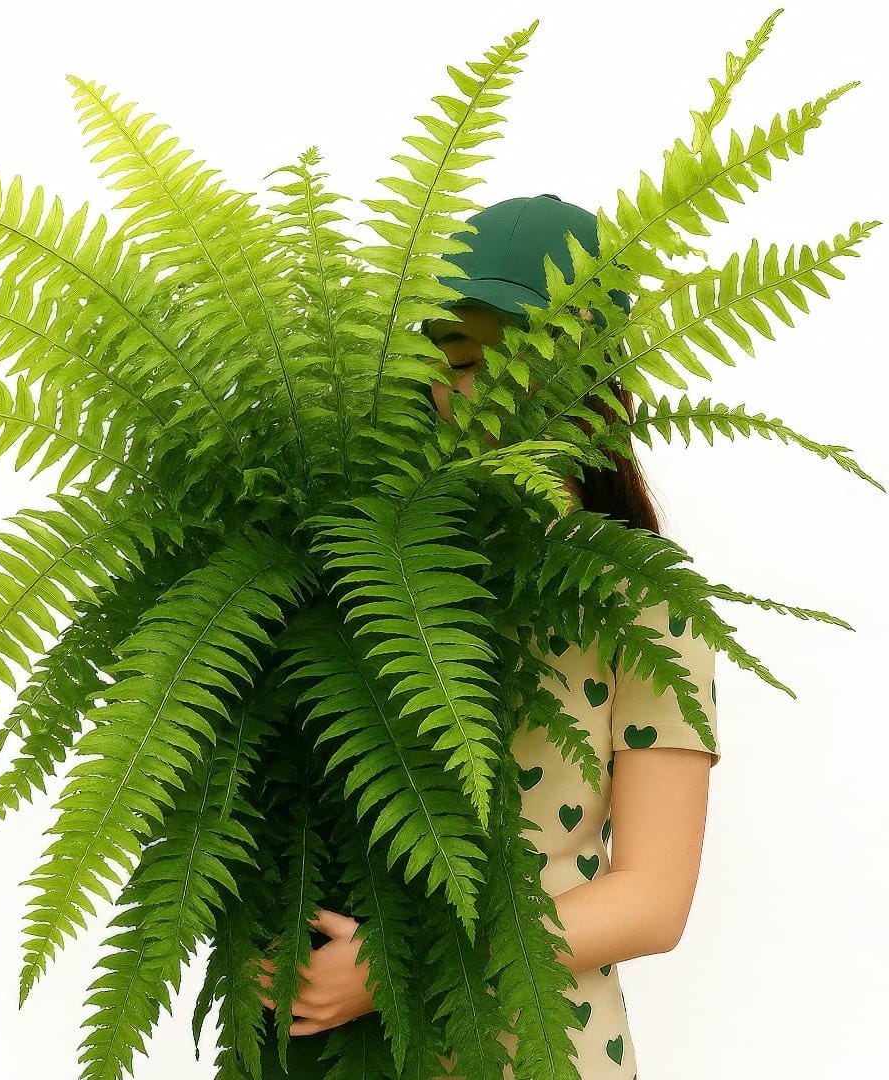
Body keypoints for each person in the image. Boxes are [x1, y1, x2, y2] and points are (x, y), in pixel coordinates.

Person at [252, 195, 722, 1080]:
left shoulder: (644, 595)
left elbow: (656, 900)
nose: (483, 387)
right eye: (458, 356)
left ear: (593, 374)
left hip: (536, 1045)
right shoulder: (366, 560)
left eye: (526, 358)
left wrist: (394, 970)